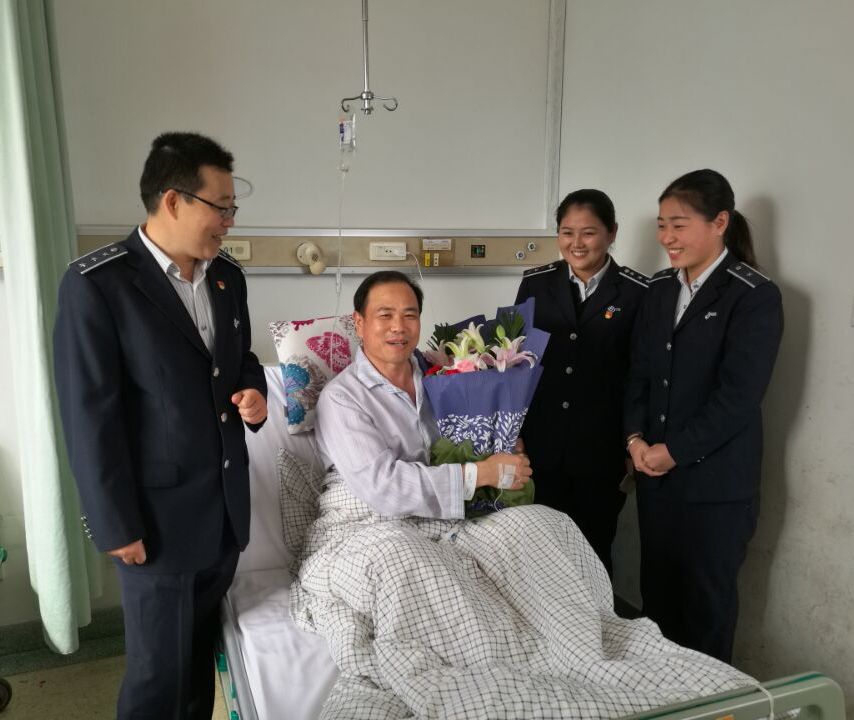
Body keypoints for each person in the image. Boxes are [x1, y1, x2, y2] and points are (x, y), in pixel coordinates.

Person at [53, 132, 268, 719]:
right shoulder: (99, 284)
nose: (229, 221)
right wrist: (115, 524)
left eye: (232, 208)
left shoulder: (226, 278)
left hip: (222, 513)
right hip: (155, 524)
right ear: (173, 200)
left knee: (196, 668)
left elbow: (241, 359)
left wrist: (254, 393)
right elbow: (89, 416)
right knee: (157, 681)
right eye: (220, 207)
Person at [624, 169, 784, 663]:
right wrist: (634, 439)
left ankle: (713, 700)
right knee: (657, 605)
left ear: (720, 222)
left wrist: (673, 451)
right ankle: (659, 696)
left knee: (705, 612)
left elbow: (738, 397)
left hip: (715, 488)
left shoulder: (752, 295)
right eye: (661, 225)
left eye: (679, 225)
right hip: (656, 480)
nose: (667, 238)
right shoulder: (659, 290)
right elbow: (638, 373)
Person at [315, 270, 531, 518]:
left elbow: (469, 438)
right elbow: (384, 488)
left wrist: (502, 444)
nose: (398, 327)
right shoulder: (341, 398)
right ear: (359, 323)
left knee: (548, 523)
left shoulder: (443, 377)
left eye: (410, 315)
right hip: (371, 521)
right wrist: (480, 473)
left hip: (448, 516)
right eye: (385, 315)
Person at [514, 189, 648, 574]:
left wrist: (633, 439)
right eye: (566, 232)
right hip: (541, 445)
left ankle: (596, 615)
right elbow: (516, 361)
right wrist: (513, 433)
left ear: (612, 233)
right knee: (539, 553)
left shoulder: (638, 292)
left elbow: (641, 373)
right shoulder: (536, 284)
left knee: (594, 550)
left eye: (588, 233)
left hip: (600, 450)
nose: (576, 243)